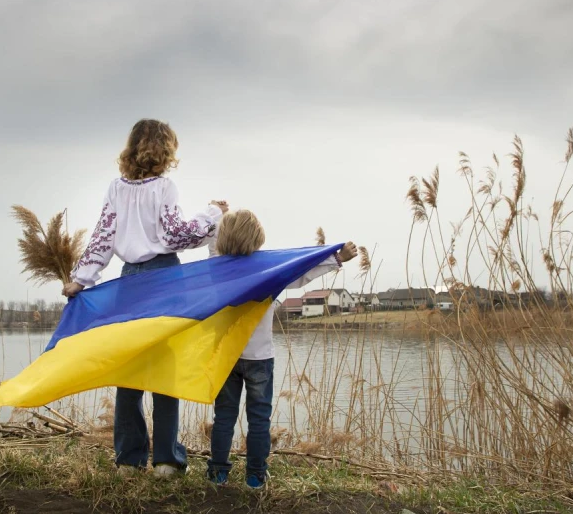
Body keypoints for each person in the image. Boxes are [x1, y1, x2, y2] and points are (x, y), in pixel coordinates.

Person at [62, 119, 228, 478]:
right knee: (165, 368)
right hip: (166, 277)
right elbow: (175, 235)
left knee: (130, 367)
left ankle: (128, 460)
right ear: (166, 150)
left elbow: (102, 238)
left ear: (132, 147)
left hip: (130, 281)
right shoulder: (165, 188)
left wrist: (80, 279)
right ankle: (166, 461)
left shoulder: (115, 189)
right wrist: (213, 214)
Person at [205, 210, 357, 489]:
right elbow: (303, 274)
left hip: (227, 357)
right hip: (259, 359)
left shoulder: (216, 270)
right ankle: (255, 476)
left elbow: (214, 247)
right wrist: (336, 259)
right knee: (259, 419)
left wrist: (218, 214)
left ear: (223, 238)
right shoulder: (268, 272)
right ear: (257, 240)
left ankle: (218, 474)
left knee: (224, 417)